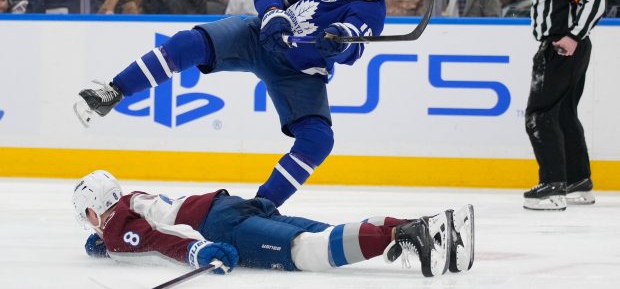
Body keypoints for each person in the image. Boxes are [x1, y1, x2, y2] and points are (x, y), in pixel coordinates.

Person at [74, 0, 411, 208]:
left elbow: (353, 45)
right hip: (258, 37)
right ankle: (113, 91)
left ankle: (261, 207)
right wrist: (274, 15)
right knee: (188, 43)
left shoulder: (373, 11)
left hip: (299, 73)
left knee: (319, 140)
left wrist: (336, 43)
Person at [72, 170, 475, 276]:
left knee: (308, 252)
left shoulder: (113, 225)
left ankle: (413, 235)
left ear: (93, 208)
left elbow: (158, 239)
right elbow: (145, 228)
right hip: (232, 205)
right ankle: (419, 226)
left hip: (218, 227)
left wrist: (199, 251)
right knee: (323, 232)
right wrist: (106, 245)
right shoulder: (130, 200)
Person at [524, 0, 605, 211]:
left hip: (562, 47)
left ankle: (553, 186)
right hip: (562, 46)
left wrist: (573, 36)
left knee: (539, 114)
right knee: (563, 114)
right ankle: (578, 181)